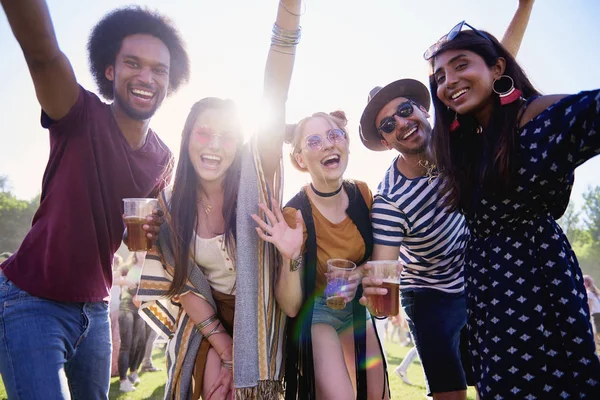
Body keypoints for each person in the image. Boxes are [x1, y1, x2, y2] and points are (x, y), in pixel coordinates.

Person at [0, 1, 189, 398]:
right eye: (133, 63)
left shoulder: (163, 159)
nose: (146, 77)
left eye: (159, 70)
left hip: (95, 309)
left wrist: (152, 232)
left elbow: (128, 238)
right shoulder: (78, 112)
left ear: (169, 83)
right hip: (31, 302)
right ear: (110, 69)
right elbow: (42, 52)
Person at [357, 3, 534, 399]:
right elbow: (384, 272)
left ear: (422, 109)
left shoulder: (455, 139)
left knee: (499, 381)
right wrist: (376, 291)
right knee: (450, 392)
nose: (402, 123)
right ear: (386, 141)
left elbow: (495, 66)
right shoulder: (390, 200)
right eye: (389, 125)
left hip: (477, 278)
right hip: (431, 295)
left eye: (405, 110)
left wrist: (525, 6)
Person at [425, 17, 600, 398]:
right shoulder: (466, 143)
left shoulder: (539, 118)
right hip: (486, 289)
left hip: (537, 278)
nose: (448, 81)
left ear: (498, 67)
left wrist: (524, 9)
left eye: (460, 65)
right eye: (439, 76)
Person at [136, 1, 302, 398]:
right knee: (211, 387)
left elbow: (274, 93)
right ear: (187, 137)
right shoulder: (170, 205)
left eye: (227, 136)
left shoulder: (255, 178)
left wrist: (290, 12)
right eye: (203, 133)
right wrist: (224, 347)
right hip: (207, 321)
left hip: (262, 316)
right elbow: (182, 287)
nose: (214, 146)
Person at [254, 111, 389, 399]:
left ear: (346, 144)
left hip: (355, 312)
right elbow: (290, 307)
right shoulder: (295, 214)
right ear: (300, 159)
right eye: (314, 141)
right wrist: (291, 257)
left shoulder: (362, 195)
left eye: (333, 135)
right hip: (317, 317)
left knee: (379, 397)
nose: (328, 145)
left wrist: (358, 274)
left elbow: (375, 263)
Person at [117, 252, 147, 392]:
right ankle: (123, 381)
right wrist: (125, 281)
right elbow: (110, 278)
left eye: (144, 250)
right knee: (126, 344)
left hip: (141, 307)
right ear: (134, 252)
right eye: (139, 251)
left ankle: (133, 372)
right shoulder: (127, 267)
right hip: (126, 305)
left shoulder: (150, 267)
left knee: (139, 343)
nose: (141, 254)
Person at [584, 275, 600, 354]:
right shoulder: (597, 293)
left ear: (586, 283)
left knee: (596, 334)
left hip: (595, 316)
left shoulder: (589, 293)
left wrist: (587, 316)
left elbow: (590, 306)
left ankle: (596, 351)